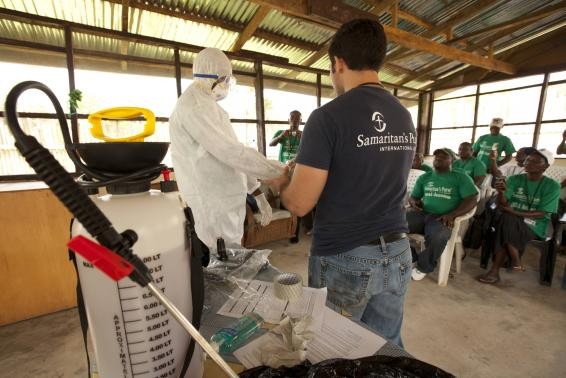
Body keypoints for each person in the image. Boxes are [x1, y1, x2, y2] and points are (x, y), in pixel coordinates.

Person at [267, 19, 416, 347]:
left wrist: (281, 183)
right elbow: (371, 173)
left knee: (332, 347)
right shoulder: (403, 115)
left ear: (338, 63)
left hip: (348, 257)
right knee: (386, 349)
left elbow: (300, 204)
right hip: (398, 251)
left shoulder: (328, 117)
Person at [169, 48, 284, 250]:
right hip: (211, 207)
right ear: (210, 77)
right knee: (217, 264)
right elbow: (230, 153)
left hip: (227, 203)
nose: (226, 85)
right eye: (224, 79)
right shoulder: (194, 107)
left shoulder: (211, 107)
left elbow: (235, 154)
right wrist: (278, 170)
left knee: (230, 258)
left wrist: (257, 193)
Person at [479, 149, 560, 284]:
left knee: (506, 220)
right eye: (528, 160)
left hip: (535, 223)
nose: (529, 163)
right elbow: (502, 203)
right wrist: (501, 192)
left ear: (546, 167)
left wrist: (514, 212)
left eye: (536, 161)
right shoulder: (515, 179)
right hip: (509, 219)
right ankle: (514, 260)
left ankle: (499, 268)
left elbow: (542, 213)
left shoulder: (552, 186)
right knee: (507, 220)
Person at [408, 148, 479, 280]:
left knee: (439, 235)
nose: (438, 158)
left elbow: (472, 199)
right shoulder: (425, 177)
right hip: (423, 214)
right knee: (392, 225)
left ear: (452, 160)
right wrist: (414, 202)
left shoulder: (460, 177)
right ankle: (411, 256)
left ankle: (423, 266)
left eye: (443, 156)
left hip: (443, 217)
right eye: (436, 156)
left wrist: (453, 214)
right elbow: (414, 197)